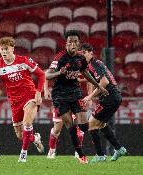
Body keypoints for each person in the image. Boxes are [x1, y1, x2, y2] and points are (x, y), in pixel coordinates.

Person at [45, 30, 109, 164]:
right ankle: (81, 155)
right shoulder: (60, 58)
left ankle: (77, 124)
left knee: (84, 126)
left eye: (75, 42)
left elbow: (85, 73)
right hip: (60, 95)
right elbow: (47, 75)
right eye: (70, 42)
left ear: (78, 43)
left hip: (75, 93)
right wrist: (59, 73)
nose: (73, 44)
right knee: (70, 127)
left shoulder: (80, 58)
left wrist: (99, 86)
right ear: (66, 43)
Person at [0, 37, 45, 163]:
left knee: (27, 123)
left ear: (12, 49)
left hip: (30, 96)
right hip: (14, 102)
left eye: (6, 49)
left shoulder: (23, 61)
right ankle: (35, 138)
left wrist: (38, 93)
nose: (3, 52)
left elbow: (41, 74)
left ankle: (23, 155)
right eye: (1, 49)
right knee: (20, 135)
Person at [81, 43, 127, 162]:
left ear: (90, 53)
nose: (82, 56)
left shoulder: (93, 64)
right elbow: (91, 80)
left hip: (109, 97)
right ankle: (119, 148)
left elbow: (104, 82)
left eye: (84, 53)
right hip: (114, 97)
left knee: (91, 124)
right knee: (100, 124)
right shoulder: (94, 64)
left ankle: (100, 155)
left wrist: (90, 96)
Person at [44, 86, 84, 158]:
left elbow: (88, 80)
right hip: (60, 102)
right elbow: (46, 76)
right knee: (56, 130)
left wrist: (90, 94)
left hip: (75, 101)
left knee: (79, 129)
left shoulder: (77, 76)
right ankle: (52, 150)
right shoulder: (59, 75)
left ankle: (78, 153)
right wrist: (46, 89)